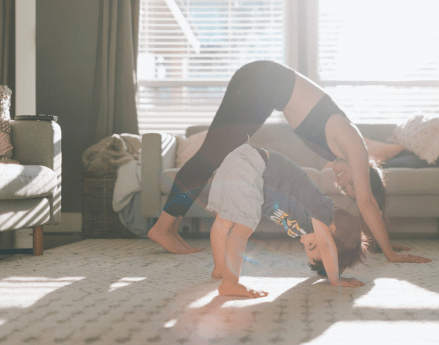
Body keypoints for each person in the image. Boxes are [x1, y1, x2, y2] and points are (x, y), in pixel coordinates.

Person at [147, 60, 424, 262]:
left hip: (262, 87)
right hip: (261, 81)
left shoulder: (343, 151)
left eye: (344, 189)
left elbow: (366, 205)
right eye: (351, 183)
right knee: (209, 157)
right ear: (364, 171)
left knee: (212, 157)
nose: (341, 183)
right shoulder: (355, 144)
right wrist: (390, 254)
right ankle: (163, 227)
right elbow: (368, 201)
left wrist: (379, 240)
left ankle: (168, 226)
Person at [207, 143, 368, 298]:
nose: (303, 241)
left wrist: (327, 269)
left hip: (236, 160)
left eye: (307, 247)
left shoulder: (303, 223)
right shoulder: (322, 208)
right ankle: (230, 282)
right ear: (331, 229)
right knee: (243, 228)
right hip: (253, 165)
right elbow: (326, 245)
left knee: (224, 222)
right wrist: (336, 280)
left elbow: (325, 245)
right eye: (312, 244)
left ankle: (220, 269)